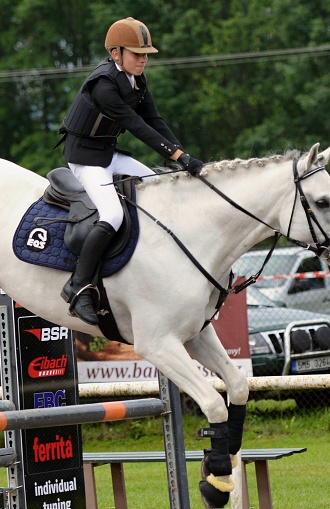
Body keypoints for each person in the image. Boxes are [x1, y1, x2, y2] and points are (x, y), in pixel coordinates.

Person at [58, 16, 205, 325]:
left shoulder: (137, 81)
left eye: (145, 55)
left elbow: (155, 120)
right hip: (84, 158)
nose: (143, 60)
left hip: (109, 154)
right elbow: (135, 125)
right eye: (136, 54)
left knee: (160, 185)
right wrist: (177, 155)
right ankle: (79, 286)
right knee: (112, 214)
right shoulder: (103, 86)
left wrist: (183, 156)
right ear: (116, 54)